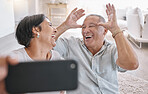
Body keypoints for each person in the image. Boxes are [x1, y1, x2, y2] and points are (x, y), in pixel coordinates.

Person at [54, 3, 139, 94]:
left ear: (105, 31)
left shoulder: (112, 50)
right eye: (83, 27)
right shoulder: (71, 44)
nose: (86, 30)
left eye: (91, 26)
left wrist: (116, 30)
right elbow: (44, 44)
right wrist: (65, 25)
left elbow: (132, 64)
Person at [0, 14, 65, 94]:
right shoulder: (15, 60)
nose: (55, 30)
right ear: (36, 29)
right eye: (50, 25)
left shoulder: (57, 57)